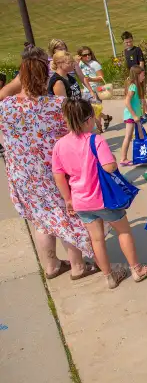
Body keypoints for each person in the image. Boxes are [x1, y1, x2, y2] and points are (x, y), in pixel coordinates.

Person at [0, 52, 97, 280]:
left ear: (21, 78)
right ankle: (78, 266)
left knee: (40, 219)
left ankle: (52, 266)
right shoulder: (57, 106)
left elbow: (4, 94)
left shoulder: (6, 107)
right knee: (66, 215)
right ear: (46, 78)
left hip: (22, 175)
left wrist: (17, 82)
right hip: (54, 173)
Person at [52, 99, 147, 288]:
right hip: (103, 198)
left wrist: (68, 199)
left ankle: (108, 276)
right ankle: (137, 269)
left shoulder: (59, 145)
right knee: (124, 231)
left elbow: (59, 175)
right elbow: (109, 166)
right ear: (87, 120)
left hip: (80, 201)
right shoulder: (96, 140)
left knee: (96, 239)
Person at [76, 46, 112, 132]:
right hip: (85, 90)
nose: (88, 56)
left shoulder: (95, 64)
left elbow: (101, 77)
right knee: (88, 111)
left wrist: (91, 79)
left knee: (96, 110)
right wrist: (77, 60)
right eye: (85, 55)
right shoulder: (80, 64)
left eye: (89, 54)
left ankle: (99, 130)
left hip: (96, 89)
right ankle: (106, 117)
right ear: (81, 56)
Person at [121, 31, 147, 117]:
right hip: (132, 76)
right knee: (136, 95)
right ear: (123, 42)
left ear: (132, 40)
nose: (129, 43)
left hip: (139, 75)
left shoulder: (137, 50)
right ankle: (145, 111)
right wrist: (129, 76)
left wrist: (140, 74)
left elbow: (141, 62)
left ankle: (145, 112)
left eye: (130, 41)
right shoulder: (125, 51)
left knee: (141, 94)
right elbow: (128, 65)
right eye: (126, 42)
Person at [119, 66, 144, 166]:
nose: (144, 77)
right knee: (128, 136)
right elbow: (127, 102)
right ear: (137, 75)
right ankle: (123, 158)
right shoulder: (133, 86)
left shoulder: (136, 86)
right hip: (131, 116)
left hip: (136, 115)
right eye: (143, 75)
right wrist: (134, 115)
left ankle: (144, 154)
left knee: (141, 135)